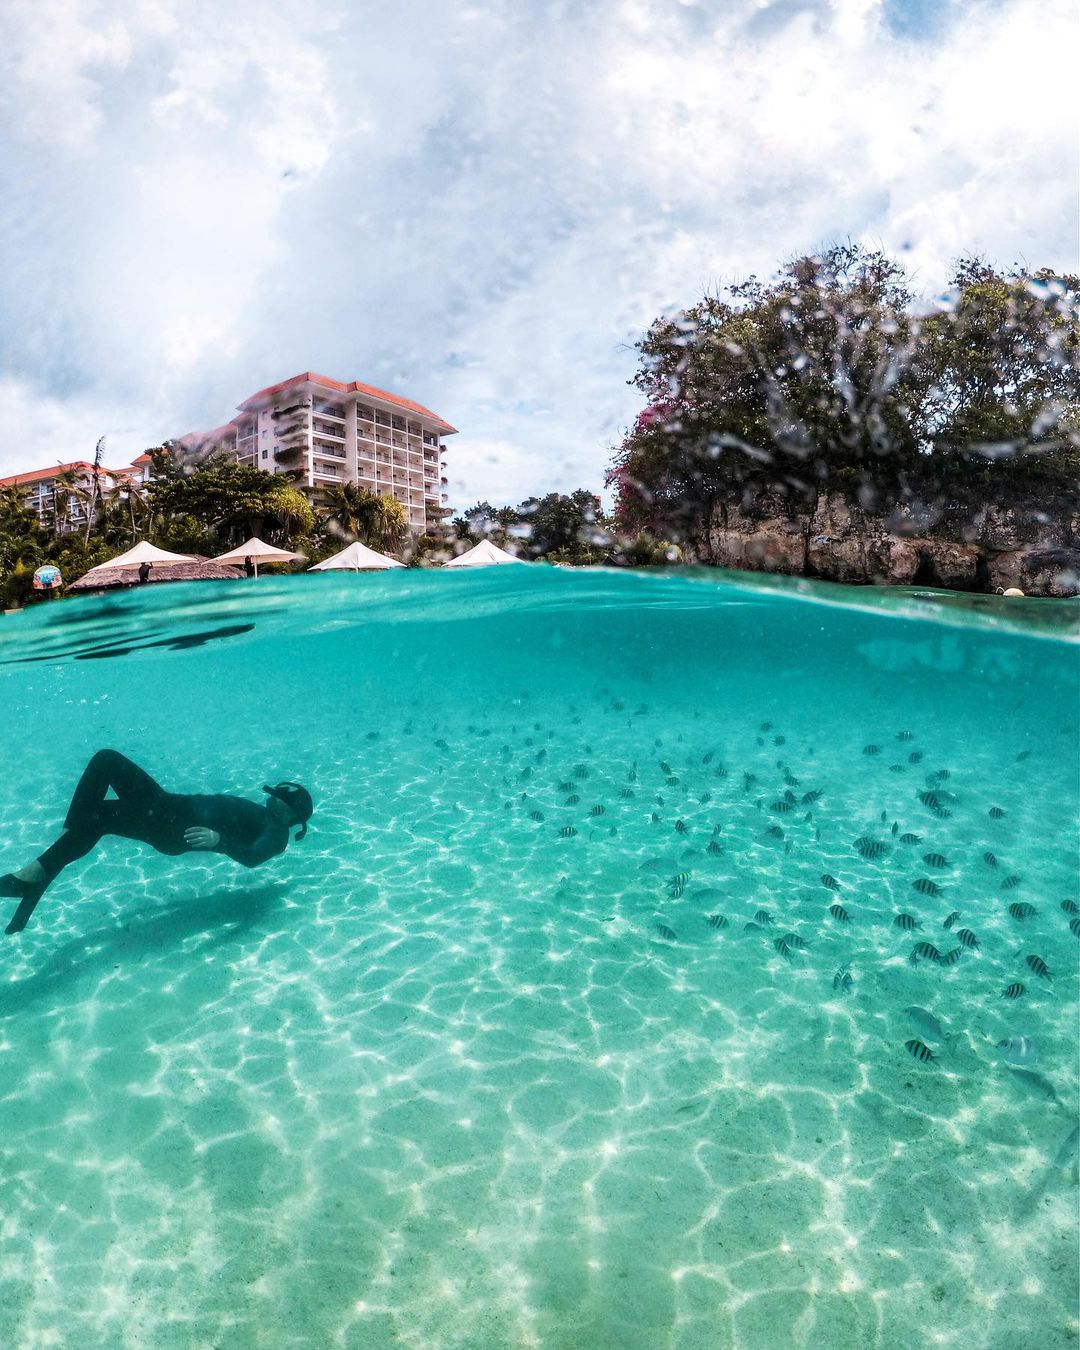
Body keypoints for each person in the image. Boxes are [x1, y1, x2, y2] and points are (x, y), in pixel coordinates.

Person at [1, 750, 313, 935]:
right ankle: (38, 878)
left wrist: (220, 840)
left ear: (293, 814)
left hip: (170, 821)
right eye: (274, 796)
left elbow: (252, 857)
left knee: (106, 761)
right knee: (98, 818)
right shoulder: (268, 818)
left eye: (280, 801)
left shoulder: (277, 835)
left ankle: (39, 873)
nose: (271, 800)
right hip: (168, 816)